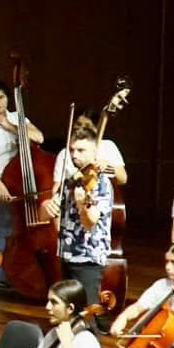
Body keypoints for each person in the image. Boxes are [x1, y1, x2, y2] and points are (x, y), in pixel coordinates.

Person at [0, 80, 45, 286]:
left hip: (12, 182)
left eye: (2, 97)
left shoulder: (17, 118)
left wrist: (11, 127)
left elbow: (39, 138)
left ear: (7, 99)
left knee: (3, 230)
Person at [45, 127, 114, 306]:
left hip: (88, 257)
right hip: (67, 254)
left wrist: (82, 204)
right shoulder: (70, 180)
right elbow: (47, 214)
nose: (74, 155)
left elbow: (90, 223)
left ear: (94, 152)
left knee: (86, 311)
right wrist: (46, 206)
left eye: (81, 150)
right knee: (70, 311)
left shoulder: (101, 183)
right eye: (72, 150)